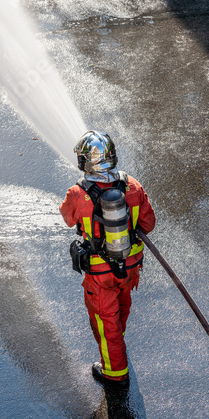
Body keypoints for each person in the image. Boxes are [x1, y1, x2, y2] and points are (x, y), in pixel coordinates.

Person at [59, 131, 156, 389]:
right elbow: (149, 224)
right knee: (122, 306)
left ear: (84, 162)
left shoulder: (77, 193)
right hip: (131, 268)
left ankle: (115, 372)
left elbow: (68, 219)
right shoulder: (133, 186)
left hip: (100, 275)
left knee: (105, 321)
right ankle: (117, 347)